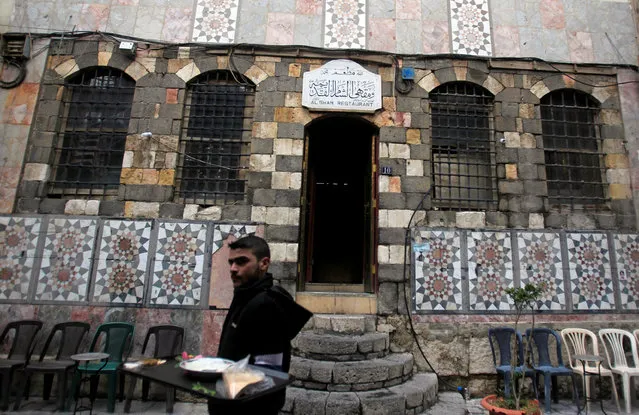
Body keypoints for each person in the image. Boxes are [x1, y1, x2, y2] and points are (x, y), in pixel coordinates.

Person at [208, 235, 312, 414]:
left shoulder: (265, 304)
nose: (233, 269)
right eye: (231, 262)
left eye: (241, 262)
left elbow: (268, 371)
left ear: (264, 263)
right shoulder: (244, 295)